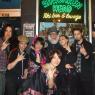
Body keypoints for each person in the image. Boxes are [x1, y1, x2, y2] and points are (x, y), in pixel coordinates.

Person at [72, 27, 93, 95]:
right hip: (76, 75)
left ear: (82, 34)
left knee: (87, 92)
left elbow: (91, 59)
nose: (76, 36)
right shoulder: (73, 45)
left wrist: (85, 53)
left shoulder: (88, 45)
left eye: (78, 34)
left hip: (85, 75)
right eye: (75, 34)